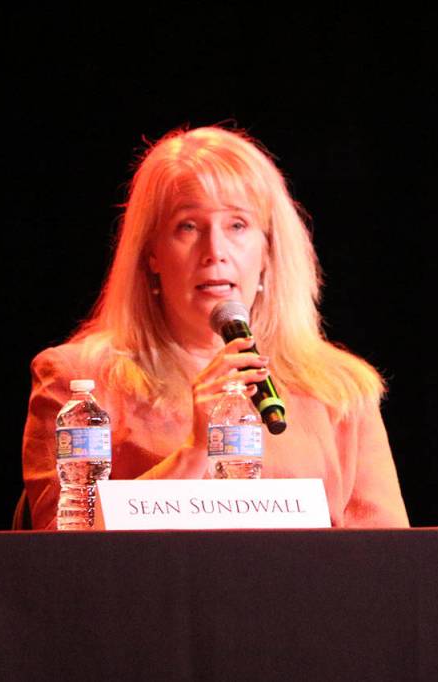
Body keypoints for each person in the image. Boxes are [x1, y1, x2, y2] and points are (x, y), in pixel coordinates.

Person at [22, 126, 409, 529]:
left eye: (237, 226)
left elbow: (389, 566)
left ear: (267, 252)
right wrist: (194, 453)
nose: (215, 252)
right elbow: (59, 556)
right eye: (188, 226)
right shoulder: (78, 383)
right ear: (151, 253)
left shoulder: (340, 391)